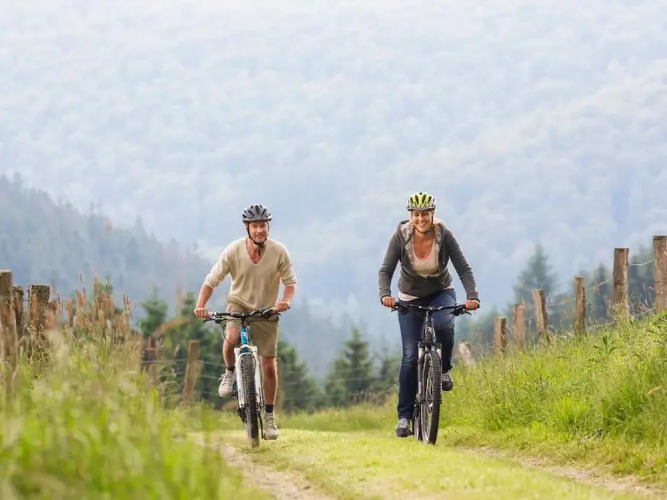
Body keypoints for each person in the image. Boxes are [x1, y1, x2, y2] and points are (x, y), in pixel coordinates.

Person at [377, 191, 480, 438]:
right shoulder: (401, 235)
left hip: (441, 292)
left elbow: (463, 267)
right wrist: (385, 295)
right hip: (409, 297)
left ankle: (443, 369)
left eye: (425, 214)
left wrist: (473, 296)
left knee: (444, 325)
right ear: (410, 216)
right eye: (416, 214)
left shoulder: (444, 234)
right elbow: (385, 270)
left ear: (433, 214)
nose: (421, 219)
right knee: (410, 356)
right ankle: (404, 417)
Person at [194, 204, 297, 440]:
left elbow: (290, 282)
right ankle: (230, 372)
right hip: (238, 303)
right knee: (231, 337)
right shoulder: (233, 251)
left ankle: (269, 417)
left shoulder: (279, 251)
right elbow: (211, 281)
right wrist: (200, 306)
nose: (259, 230)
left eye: (263, 226)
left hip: (267, 309)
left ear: (268, 227)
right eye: (255, 226)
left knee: (269, 365)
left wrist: (285, 301)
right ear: (247, 228)